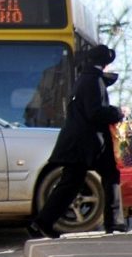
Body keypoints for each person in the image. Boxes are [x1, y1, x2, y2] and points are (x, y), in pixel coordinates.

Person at [29, 44, 125, 239]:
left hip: (81, 142)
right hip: (86, 144)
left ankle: (42, 223)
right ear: (105, 63)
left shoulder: (85, 78)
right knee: (96, 178)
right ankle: (114, 223)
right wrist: (118, 112)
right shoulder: (93, 80)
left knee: (75, 182)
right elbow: (95, 113)